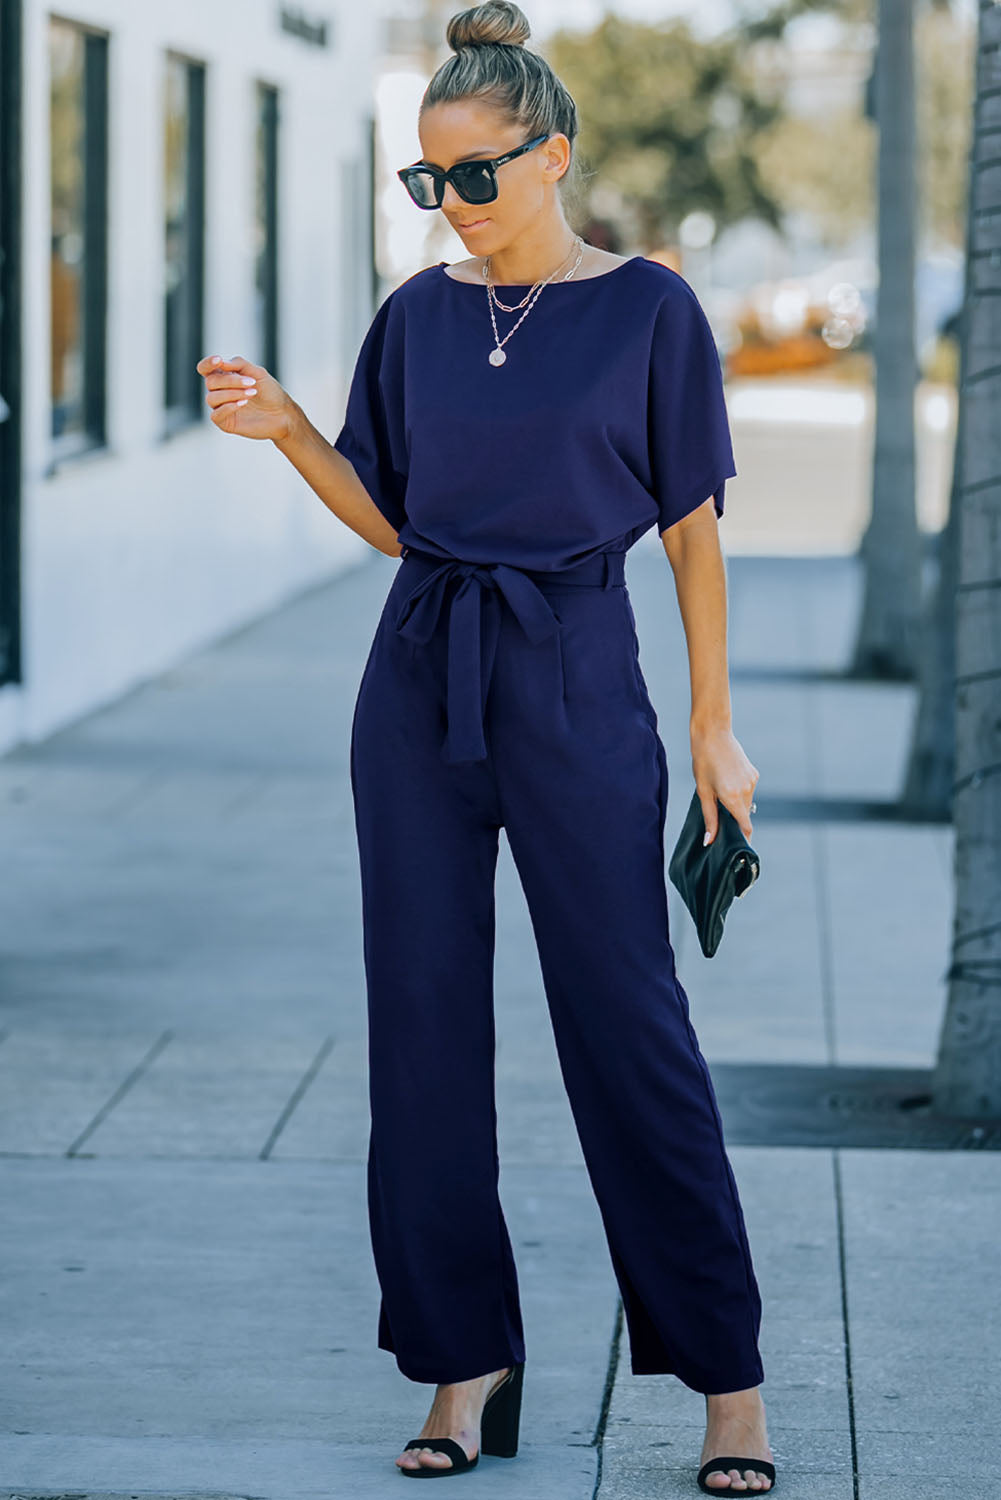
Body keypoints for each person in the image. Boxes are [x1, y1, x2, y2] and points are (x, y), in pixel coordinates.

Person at [195, 3, 776, 1491]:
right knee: (425, 1030)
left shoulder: (648, 308)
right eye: (425, 181)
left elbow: (692, 534)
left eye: (471, 175)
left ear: (550, 156)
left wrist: (712, 722)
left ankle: (726, 1388)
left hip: (578, 675)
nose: (448, 205)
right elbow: (399, 521)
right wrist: (290, 433)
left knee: (625, 1026)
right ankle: (465, 1365)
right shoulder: (417, 316)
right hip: (414, 681)